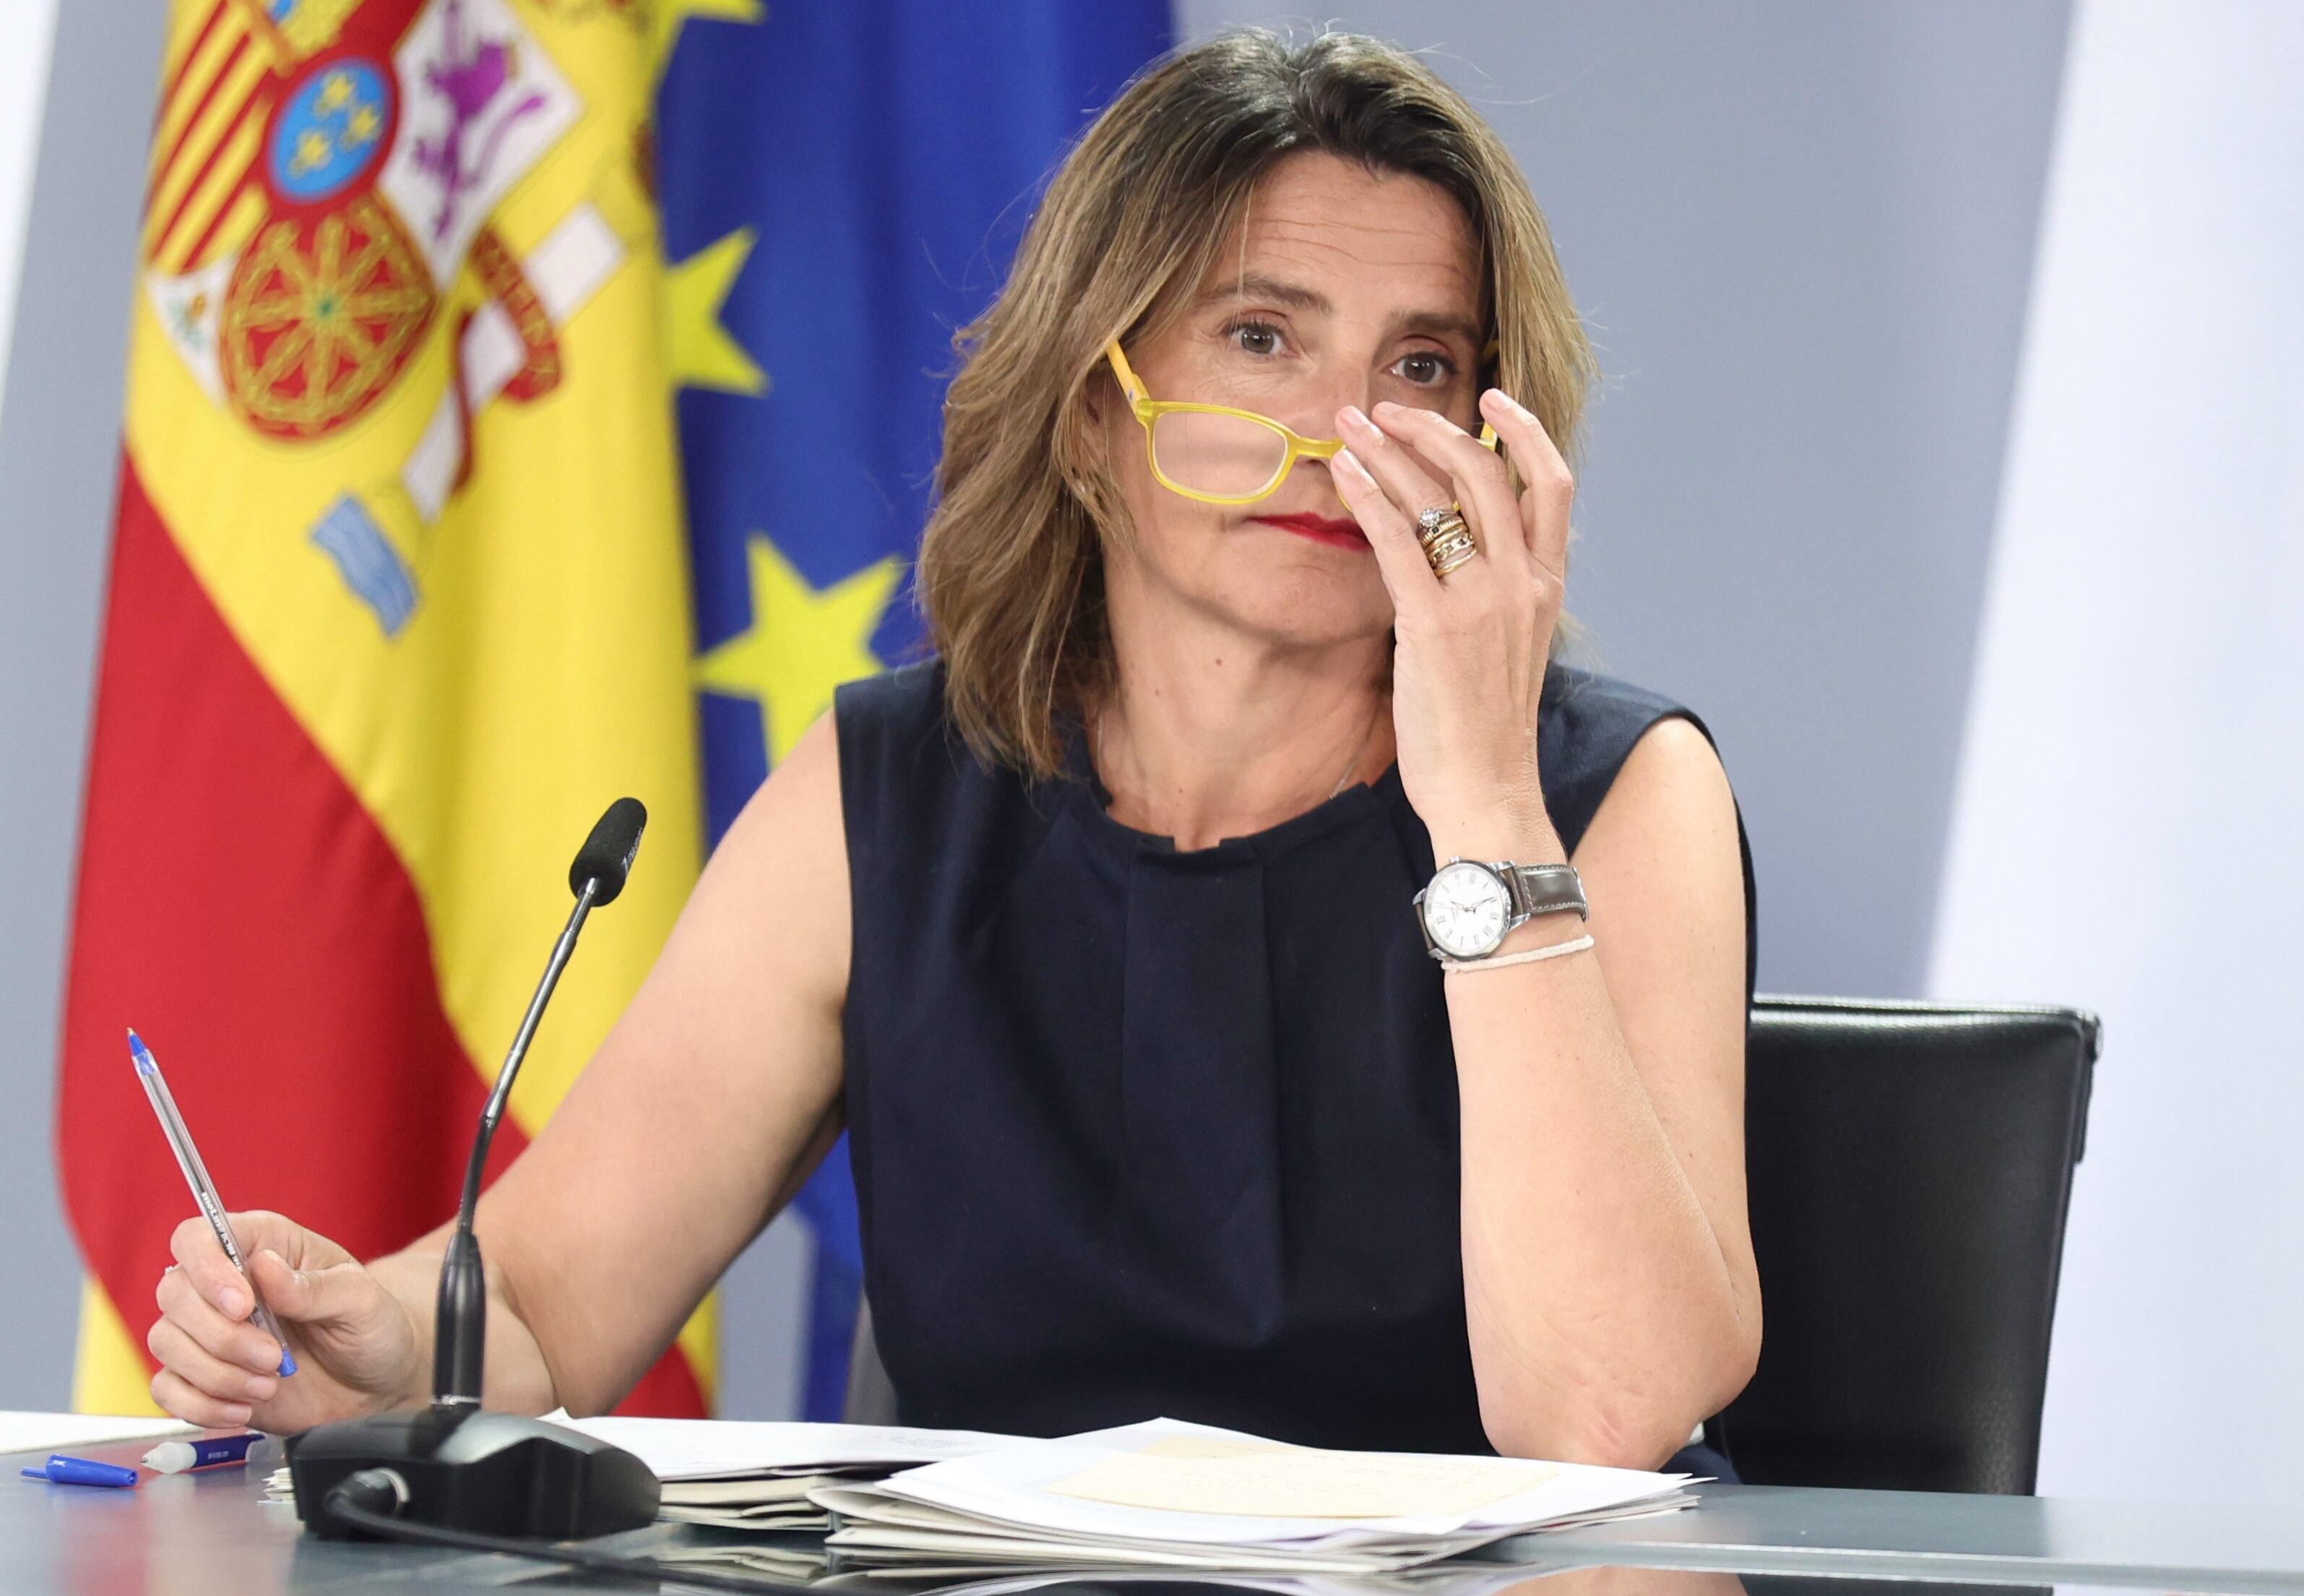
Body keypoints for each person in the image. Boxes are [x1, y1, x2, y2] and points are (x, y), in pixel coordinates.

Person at [147, 29, 1759, 1473]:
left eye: (1419, 366)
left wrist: (1480, 801)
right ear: (1090, 404)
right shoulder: (892, 791)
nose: (1343, 437)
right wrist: (372, 1341)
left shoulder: (1610, 795)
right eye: (1262, 337)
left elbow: (1602, 1418)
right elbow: (545, 1305)